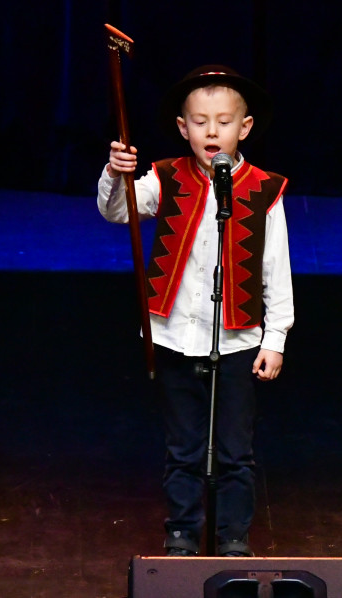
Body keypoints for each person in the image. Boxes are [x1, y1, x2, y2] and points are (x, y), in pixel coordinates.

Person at [97, 65, 293, 557]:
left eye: (223, 121)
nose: (212, 131)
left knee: (234, 450)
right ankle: (182, 529)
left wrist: (276, 338)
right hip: (174, 336)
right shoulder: (165, 177)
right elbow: (118, 210)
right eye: (200, 121)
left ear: (243, 127)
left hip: (237, 340)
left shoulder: (265, 189)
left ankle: (231, 536)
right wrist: (114, 174)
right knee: (183, 446)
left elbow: (277, 268)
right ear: (183, 128)